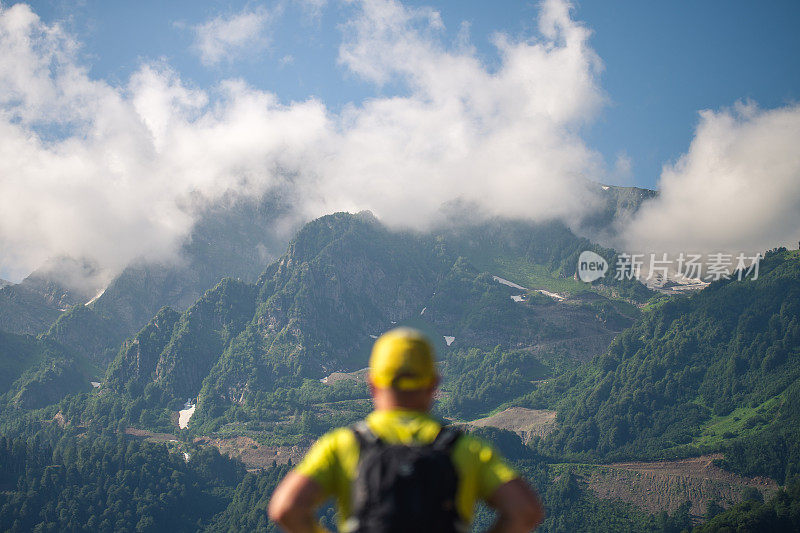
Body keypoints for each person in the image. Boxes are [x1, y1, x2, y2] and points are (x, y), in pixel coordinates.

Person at [269, 327, 544, 532]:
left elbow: (286, 508)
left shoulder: (343, 445)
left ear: (372, 384)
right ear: (434, 384)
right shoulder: (466, 449)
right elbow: (525, 511)